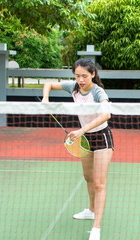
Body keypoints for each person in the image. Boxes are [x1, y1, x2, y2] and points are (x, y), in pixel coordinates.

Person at [42, 58, 114, 240]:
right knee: (88, 177)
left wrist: (81, 130)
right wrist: (45, 99)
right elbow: (49, 84)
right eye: (77, 76)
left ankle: (96, 228)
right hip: (85, 138)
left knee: (99, 183)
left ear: (93, 74)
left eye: (84, 76)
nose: (81, 80)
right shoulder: (73, 87)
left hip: (102, 137)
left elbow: (106, 114)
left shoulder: (98, 92)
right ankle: (91, 210)